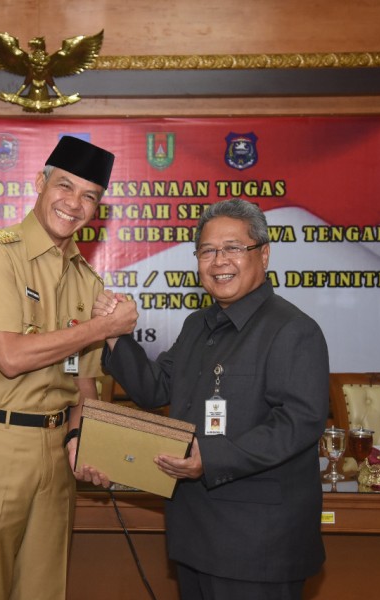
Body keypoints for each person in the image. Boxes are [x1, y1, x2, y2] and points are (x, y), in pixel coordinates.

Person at [96, 198, 329, 600]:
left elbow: (298, 423)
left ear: (264, 253)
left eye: (233, 248)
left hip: (258, 544)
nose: (219, 260)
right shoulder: (197, 324)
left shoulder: (293, 330)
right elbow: (155, 388)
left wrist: (212, 456)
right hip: (195, 536)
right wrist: (115, 334)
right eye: (207, 250)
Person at [0, 135, 138, 600]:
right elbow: (10, 357)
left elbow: (85, 389)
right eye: (65, 187)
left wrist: (81, 439)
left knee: (44, 589)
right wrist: (100, 328)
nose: (74, 204)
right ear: (39, 183)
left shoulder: (87, 281)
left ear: (98, 208)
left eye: (89, 196)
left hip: (57, 451)